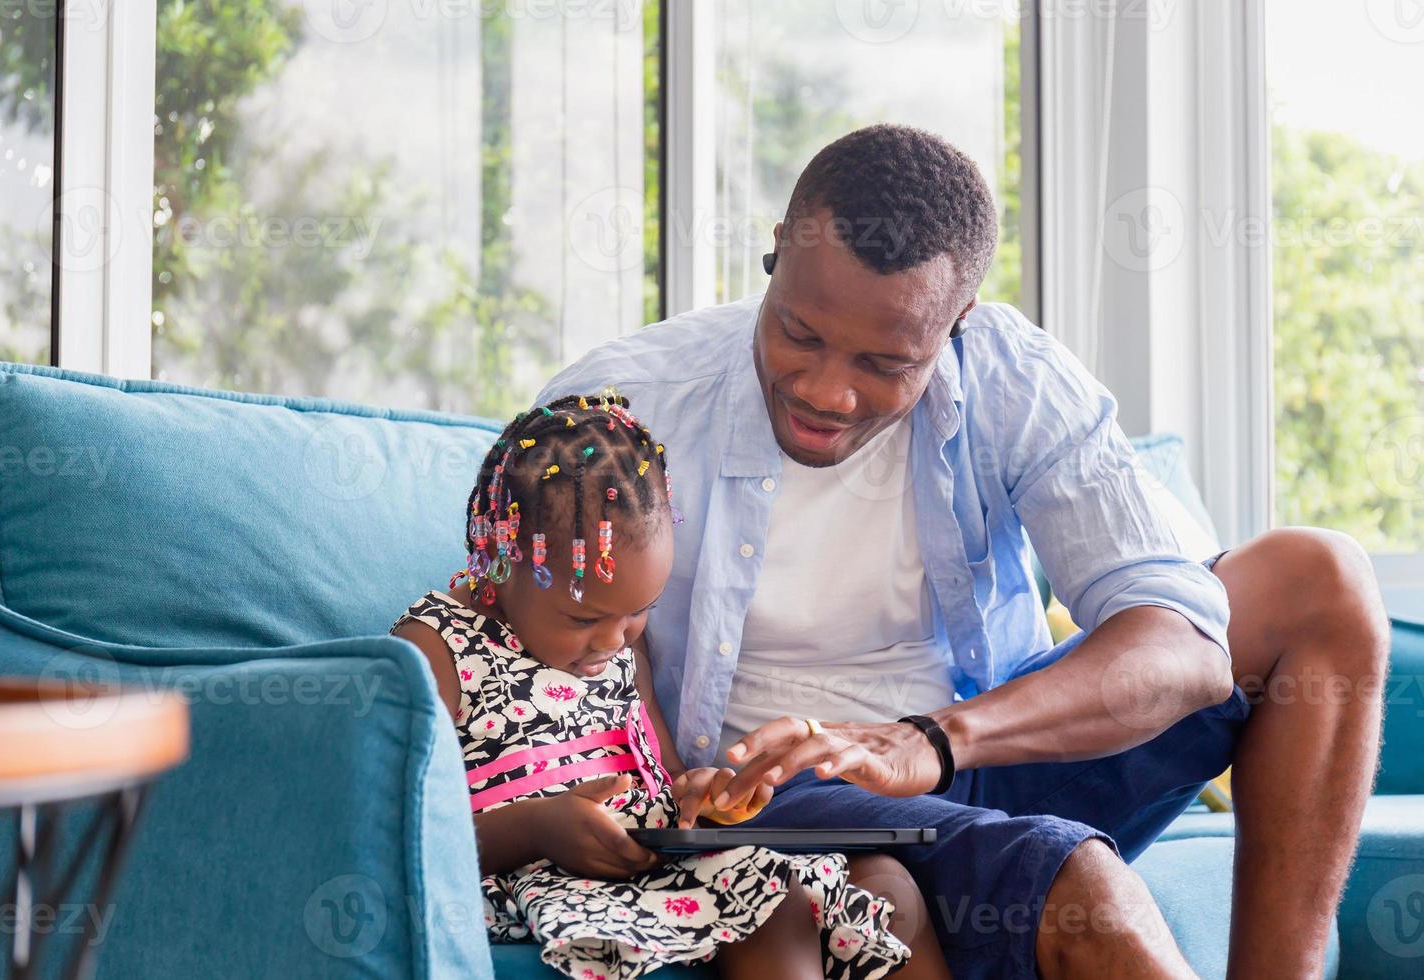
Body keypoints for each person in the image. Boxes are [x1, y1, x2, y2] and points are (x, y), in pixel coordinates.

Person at [534, 125, 1389, 979]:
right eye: (797, 333)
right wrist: (668, 787)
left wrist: (933, 741)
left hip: (983, 757)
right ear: (773, 259)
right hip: (783, 801)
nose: (826, 391)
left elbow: (1188, 647)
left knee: (1318, 580)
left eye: (882, 362)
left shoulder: (1013, 376)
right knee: (1082, 885)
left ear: (958, 323)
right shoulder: (620, 408)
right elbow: (547, 639)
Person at [391, 392, 949, 980]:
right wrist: (538, 826)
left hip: (657, 868)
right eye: (584, 619)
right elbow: (399, 829)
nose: (613, 640)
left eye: (639, 610)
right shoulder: (435, 650)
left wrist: (705, 798)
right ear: (500, 564)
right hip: (536, 881)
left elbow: (668, 782)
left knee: (891, 886)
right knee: (774, 906)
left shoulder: (623, 648)